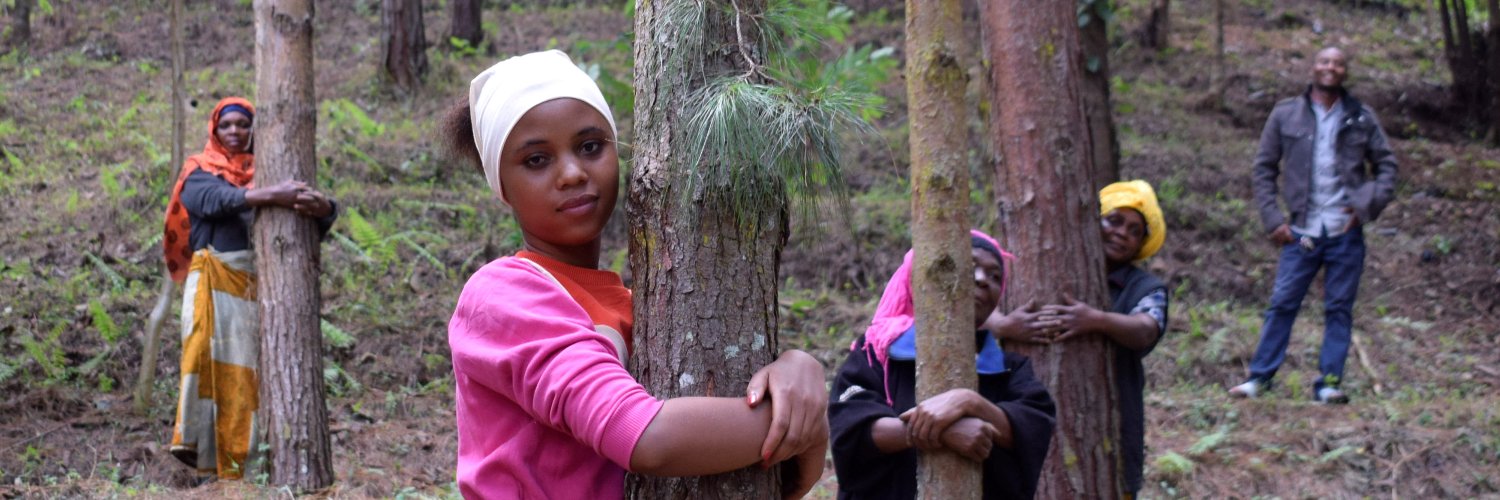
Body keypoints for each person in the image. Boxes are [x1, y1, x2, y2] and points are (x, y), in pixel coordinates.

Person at [441, 50, 827, 499]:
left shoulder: (635, 305)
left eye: (590, 147)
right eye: (536, 160)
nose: (571, 173)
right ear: (502, 188)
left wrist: (800, 369)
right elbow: (644, 437)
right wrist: (802, 419)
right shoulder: (503, 295)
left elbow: (789, 481)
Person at [164, 97, 338, 478]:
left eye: (243, 125)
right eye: (226, 126)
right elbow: (213, 201)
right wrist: (273, 195)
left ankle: (242, 460)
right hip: (212, 283)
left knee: (244, 375)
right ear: (214, 130)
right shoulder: (200, 169)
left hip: (252, 290)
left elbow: (304, 228)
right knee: (205, 364)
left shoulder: (271, 170)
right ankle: (202, 449)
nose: (234, 132)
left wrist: (325, 209)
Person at [828, 229, 1056, 500]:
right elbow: (852, 428)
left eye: (995, 276)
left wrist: (969, 402)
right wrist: (940, 433)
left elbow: (1032, 427)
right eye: (969, 265)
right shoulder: (879, 350)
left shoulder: (1010, 368)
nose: (983, 280)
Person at [1229, 47, 1398, 404]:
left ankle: (1329, 384)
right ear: (1313, 67)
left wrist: (1366, 206)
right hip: (1301, 233)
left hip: (1344, 233)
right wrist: (1273, 220)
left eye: (1338, 62)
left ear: (1345, 70)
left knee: (1338, 308)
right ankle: (1259, 379)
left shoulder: (1361, 117)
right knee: (1282, 303)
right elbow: (1263, 168)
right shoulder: (1286, 113)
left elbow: (1387, 166)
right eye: (1325, 61)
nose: (1331, 67)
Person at [986, 179, 1171, 497]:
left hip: (1114, 423)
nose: (1122, 233)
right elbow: (976, 307)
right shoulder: (1029, 264)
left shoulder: (1146, 287)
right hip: (1015, 412)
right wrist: (1003, 325)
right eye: (1114, 220)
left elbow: (1146, 328)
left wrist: (1097, 320)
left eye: (1134, 230)